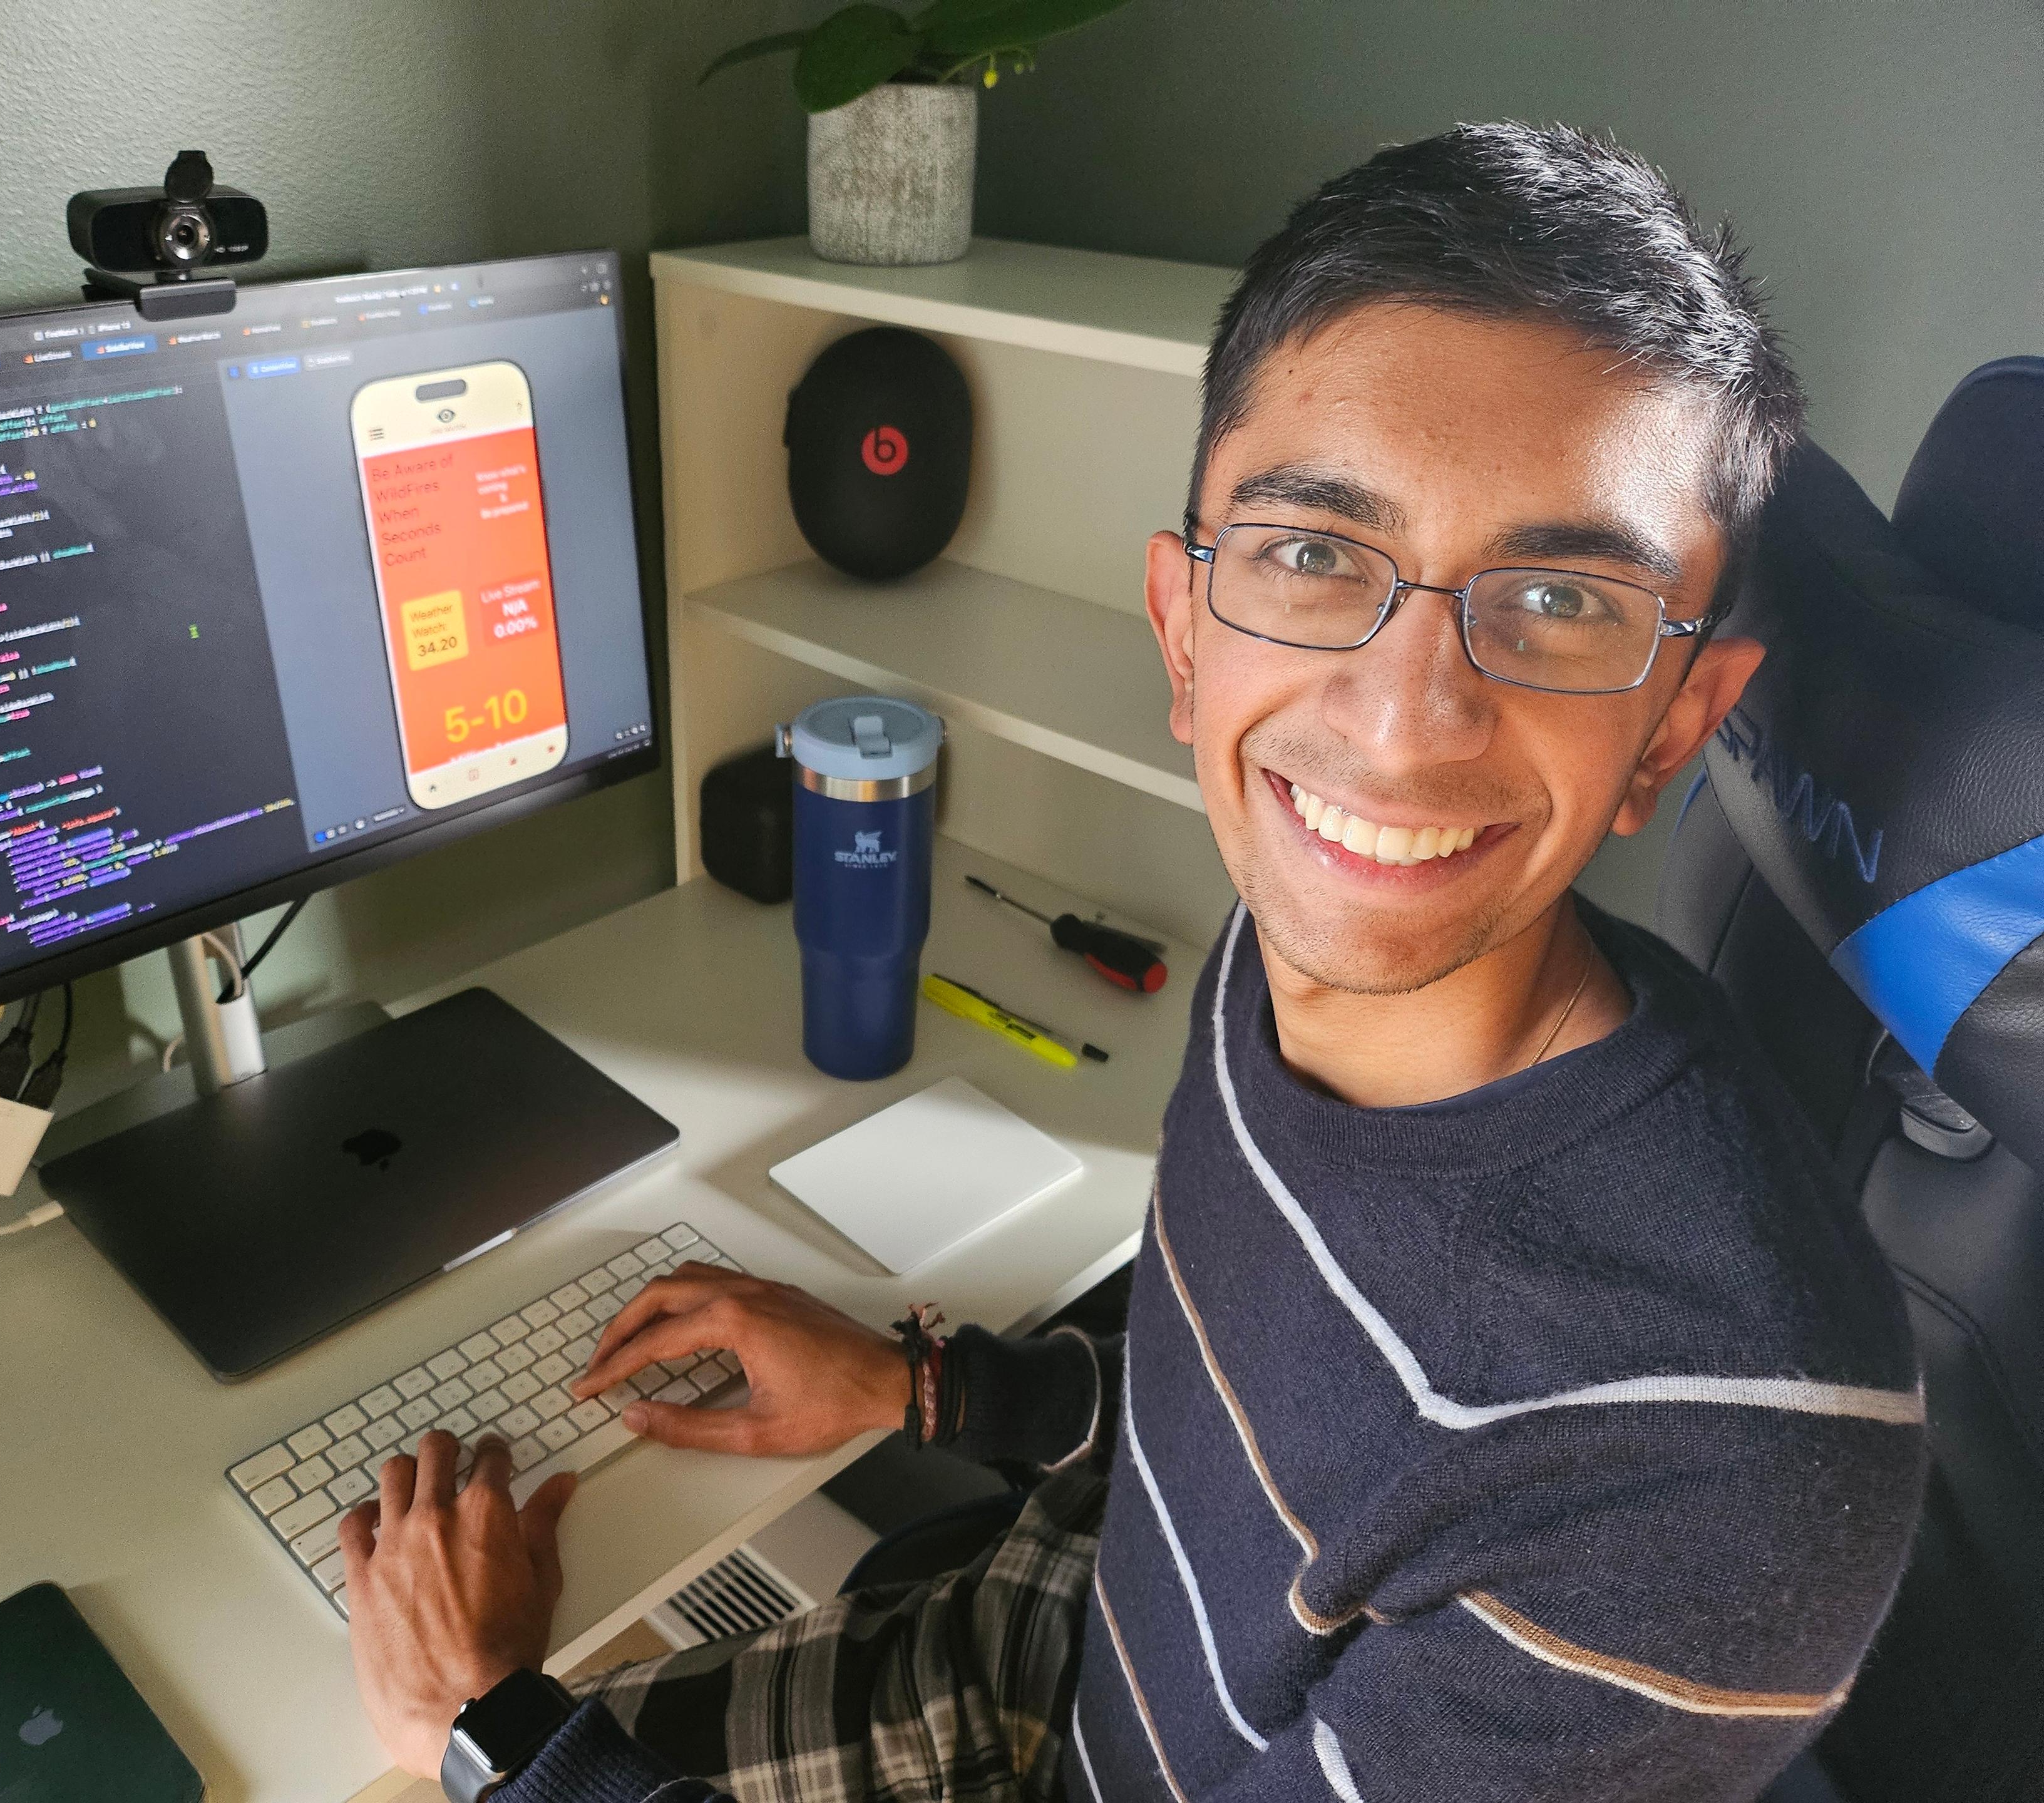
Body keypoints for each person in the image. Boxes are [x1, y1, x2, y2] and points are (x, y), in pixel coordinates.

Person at [337, 122, 1927, 1802]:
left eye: (1559, 602)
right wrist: (922, 1384)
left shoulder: (1718, 1484)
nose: (1401, 729)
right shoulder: (1290, 946)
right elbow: (1253, 1433)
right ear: (1186, 632)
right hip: (1052, 1639)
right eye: (1317, 556)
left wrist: (494, 1729)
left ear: (1680, 721)